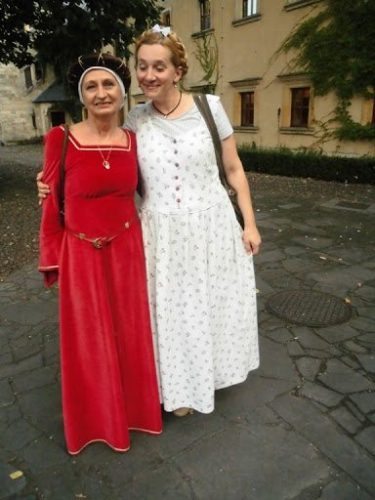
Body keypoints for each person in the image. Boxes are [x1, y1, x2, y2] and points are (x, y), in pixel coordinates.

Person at [38, 27, 261, 418]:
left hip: (212, 224)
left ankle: (210, 373)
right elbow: (101, 161)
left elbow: (234, 168)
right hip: (161, 232)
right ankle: (179, 386)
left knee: (212, 304)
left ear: (177, 71)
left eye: (159, 66)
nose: (149, 75)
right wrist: (50, 182)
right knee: (172, 314)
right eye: (142, 66)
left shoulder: (210, 107)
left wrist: (250, 223)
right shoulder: (135, 121)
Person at [38, 53, 162, 455]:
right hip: (81, 255)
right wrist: (52, 257)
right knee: (88, 344)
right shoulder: (61, 139)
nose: (101, 93)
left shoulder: (134, 141)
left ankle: (133, 414)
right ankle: (96, 422)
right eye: (91, 87)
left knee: (128, 336)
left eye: (108, 85)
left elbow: (153, 190)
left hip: (127, 251)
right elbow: (50, 200)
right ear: (81, 96)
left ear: (122, 92)